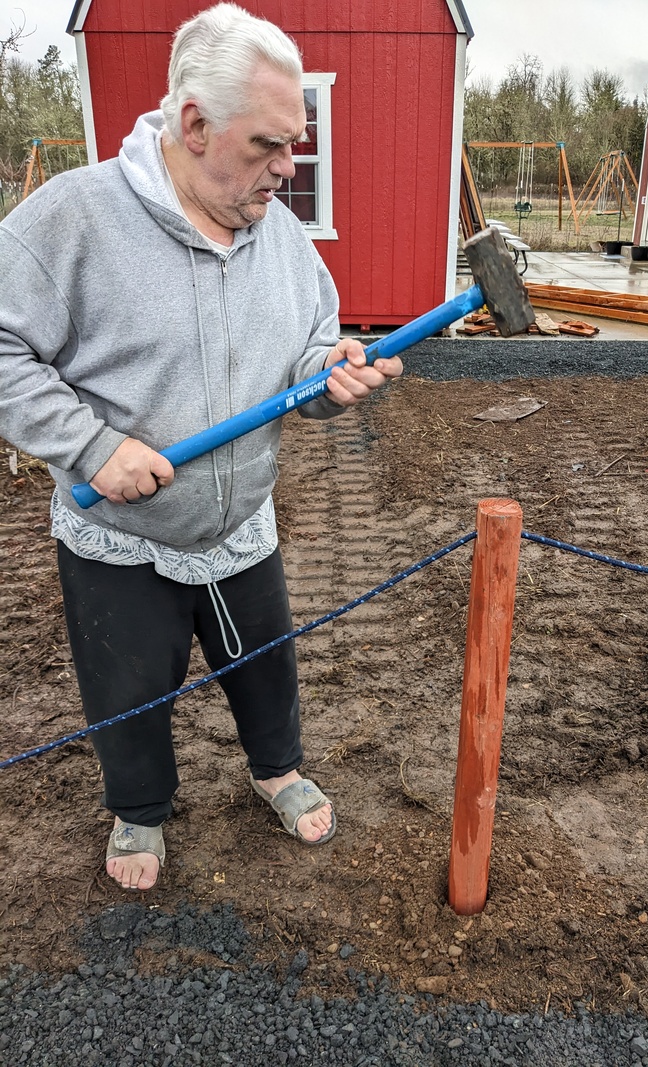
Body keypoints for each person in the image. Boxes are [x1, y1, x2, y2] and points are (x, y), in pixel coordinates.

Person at [0, 3, 403, 891]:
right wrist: (89, 446)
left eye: (294, 142)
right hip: (120, 529)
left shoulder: (284, 237)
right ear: (192, 125)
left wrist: (329, 372)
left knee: (264, 668)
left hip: (239, 521)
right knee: (128, 686)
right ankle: (139, 810)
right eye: (267, 144)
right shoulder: (72, 221)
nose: (288, 168)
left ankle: (277, 770)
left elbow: (310, 345)